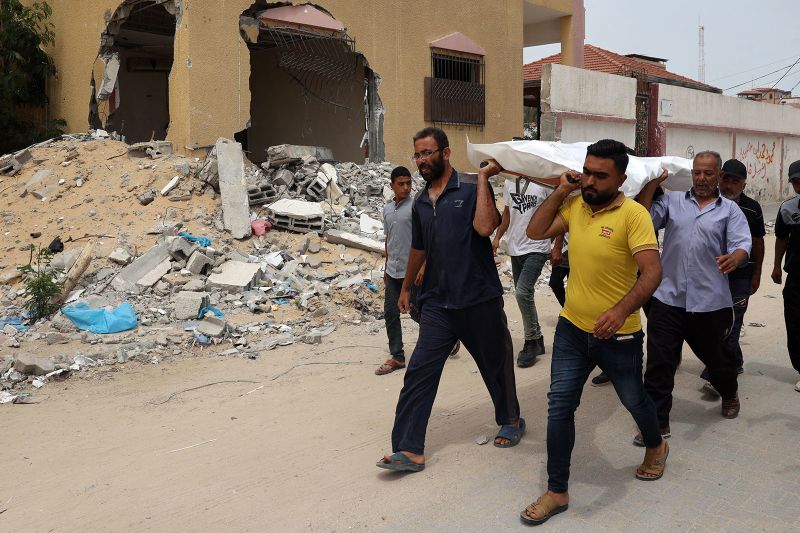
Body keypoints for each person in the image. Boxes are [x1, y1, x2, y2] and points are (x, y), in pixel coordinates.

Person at [519, 139, 668, 526]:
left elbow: (652, 273)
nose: (590, 180)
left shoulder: (634, 215)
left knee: (634, 400)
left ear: (621, 178)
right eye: (587, 171)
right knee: (559, 407)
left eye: (600, 175)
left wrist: (620, 310)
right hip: (572, 329)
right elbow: (535, 231)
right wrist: (562, 189)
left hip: (618, 336)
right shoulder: (574, 205)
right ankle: (557, 490)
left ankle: (656, 445)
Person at [376, 127, 523, 473]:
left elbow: (487, 227)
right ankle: (409, 449)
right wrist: (408, 286)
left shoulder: (472, 187)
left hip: (478, 298)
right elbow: (419, 247)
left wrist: (485, 178)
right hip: (439, 303)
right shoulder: (421, 203)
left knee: (495, 364)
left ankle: (511, 419)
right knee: (419, 372)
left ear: (445, 153)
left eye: (428, 153)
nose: (423, 160)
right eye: (418, 155)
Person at [637, 151, 751, 437]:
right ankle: (657, 424)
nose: (701, 179)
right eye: (697, 173)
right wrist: (653, 184)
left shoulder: (729, 211)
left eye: (708, 173)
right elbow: (644, 222)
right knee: (659, 364)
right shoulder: (673, 201)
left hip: (709, 303)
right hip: (668, 299)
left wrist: (734, 259)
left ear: (719, 176)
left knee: (717, 360)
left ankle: (729, 390)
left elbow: (742, 244)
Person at [700, 159, 765, 394]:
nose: (728, 185)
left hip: (740, 276)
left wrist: (757, 275)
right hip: (713, 276)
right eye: (725, 178)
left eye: (734, 181)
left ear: (744, 184)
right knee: (713, 323)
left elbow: (758, 242)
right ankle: (734, 361)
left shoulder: (752, 208)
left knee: (732, 324)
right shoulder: (708, 203)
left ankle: (715, 376)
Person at [492, 175, 552, 367]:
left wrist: (557, 244)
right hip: (516, 247)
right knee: (526, 295)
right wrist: (497, 237)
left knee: (522, 292)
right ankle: (538, 339)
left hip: (537, 247)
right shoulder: (510, 182)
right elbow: (508, 214)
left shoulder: (545, 183)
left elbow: (556, 213)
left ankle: (531, 341)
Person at [375, 166, 414, 376]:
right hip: (393, 270)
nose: (406, 188)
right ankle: (397, 356)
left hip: (412, 270)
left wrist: (423, 266)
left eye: (409, 183)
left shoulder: (416, 206)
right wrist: (386, 267)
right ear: (392, 186)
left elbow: (425, 239)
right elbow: (388, 240)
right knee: (390, 313)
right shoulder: (387, 209)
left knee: (418, 313)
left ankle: (447, 338)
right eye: (401, 184)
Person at [771, 160, 800, 393]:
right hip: (797, 278)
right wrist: (776, 266)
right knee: (795, 325)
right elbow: (781, 238)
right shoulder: (788, 209)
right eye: (796, 182)